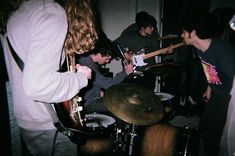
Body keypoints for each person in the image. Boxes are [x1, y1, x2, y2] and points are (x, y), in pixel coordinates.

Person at [0, 0, 98, 156]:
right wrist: (81, 78)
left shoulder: (20, 11)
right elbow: (39, 85)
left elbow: (32, 72)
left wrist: (69, 76)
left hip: (30, 118)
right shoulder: (50, 10)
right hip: (47, 121)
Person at [180, 9, 235, 156]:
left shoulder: (224, 52)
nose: (182, 35)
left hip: (230, 98)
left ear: (193, 33)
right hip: (217, 93)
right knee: (205, 126)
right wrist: (209, 88)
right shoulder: (200, 49)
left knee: (216, 135)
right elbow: (208, 69)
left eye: (184, 31)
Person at [77, 43, 134, 113]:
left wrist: (97, 92)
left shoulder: (87, 60)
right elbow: (108, 84)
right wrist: (126, 72)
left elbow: (94, 82)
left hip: (90, 96)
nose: (107, 62)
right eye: (106, 59)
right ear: (99, 54)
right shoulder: (89, 65)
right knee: (119, 106)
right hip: (87, 103)